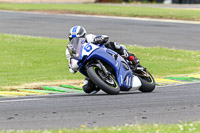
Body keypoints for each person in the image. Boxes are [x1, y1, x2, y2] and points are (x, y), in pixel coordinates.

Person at [66, 26, 139, 94]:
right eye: (73, 39)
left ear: (84, 36)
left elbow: (104, 37)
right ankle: (101, 82)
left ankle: (130, 57)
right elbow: (71, 64)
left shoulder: (89, 37)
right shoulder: (69, 50)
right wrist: (72, 66)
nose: (76, 41)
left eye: (79, 38)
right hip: (87, 63)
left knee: (114, 45)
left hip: (103, 53)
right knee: (87, 88)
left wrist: (100, 39)